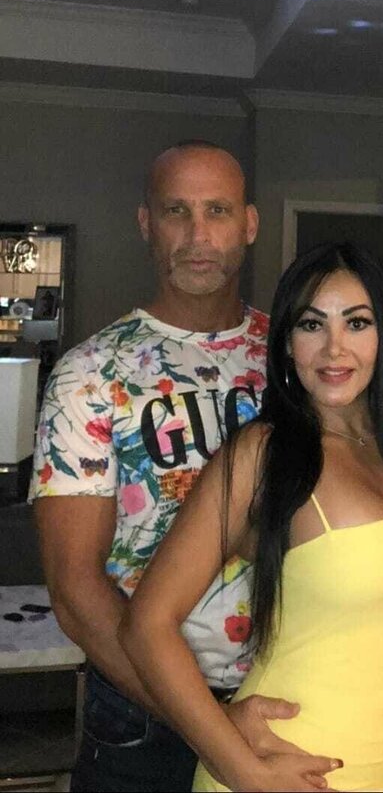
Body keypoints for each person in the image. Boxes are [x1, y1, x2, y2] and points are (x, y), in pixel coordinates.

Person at [119, 241, 383, 793]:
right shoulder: (262, 454)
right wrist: (241, 771)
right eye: (312, 325)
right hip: (284, 770)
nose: (335, 348)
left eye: (357, 322)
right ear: (287, 343)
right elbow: (146, 625)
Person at [30, 141, 299, 792]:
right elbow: (75, 591)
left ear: (249, 224)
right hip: (144, 717)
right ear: (147, 224)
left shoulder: (300, 358)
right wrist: (210, 724)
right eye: (177, 211)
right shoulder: (90, 375)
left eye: (218, 210)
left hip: (293, 690)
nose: (198, 234)